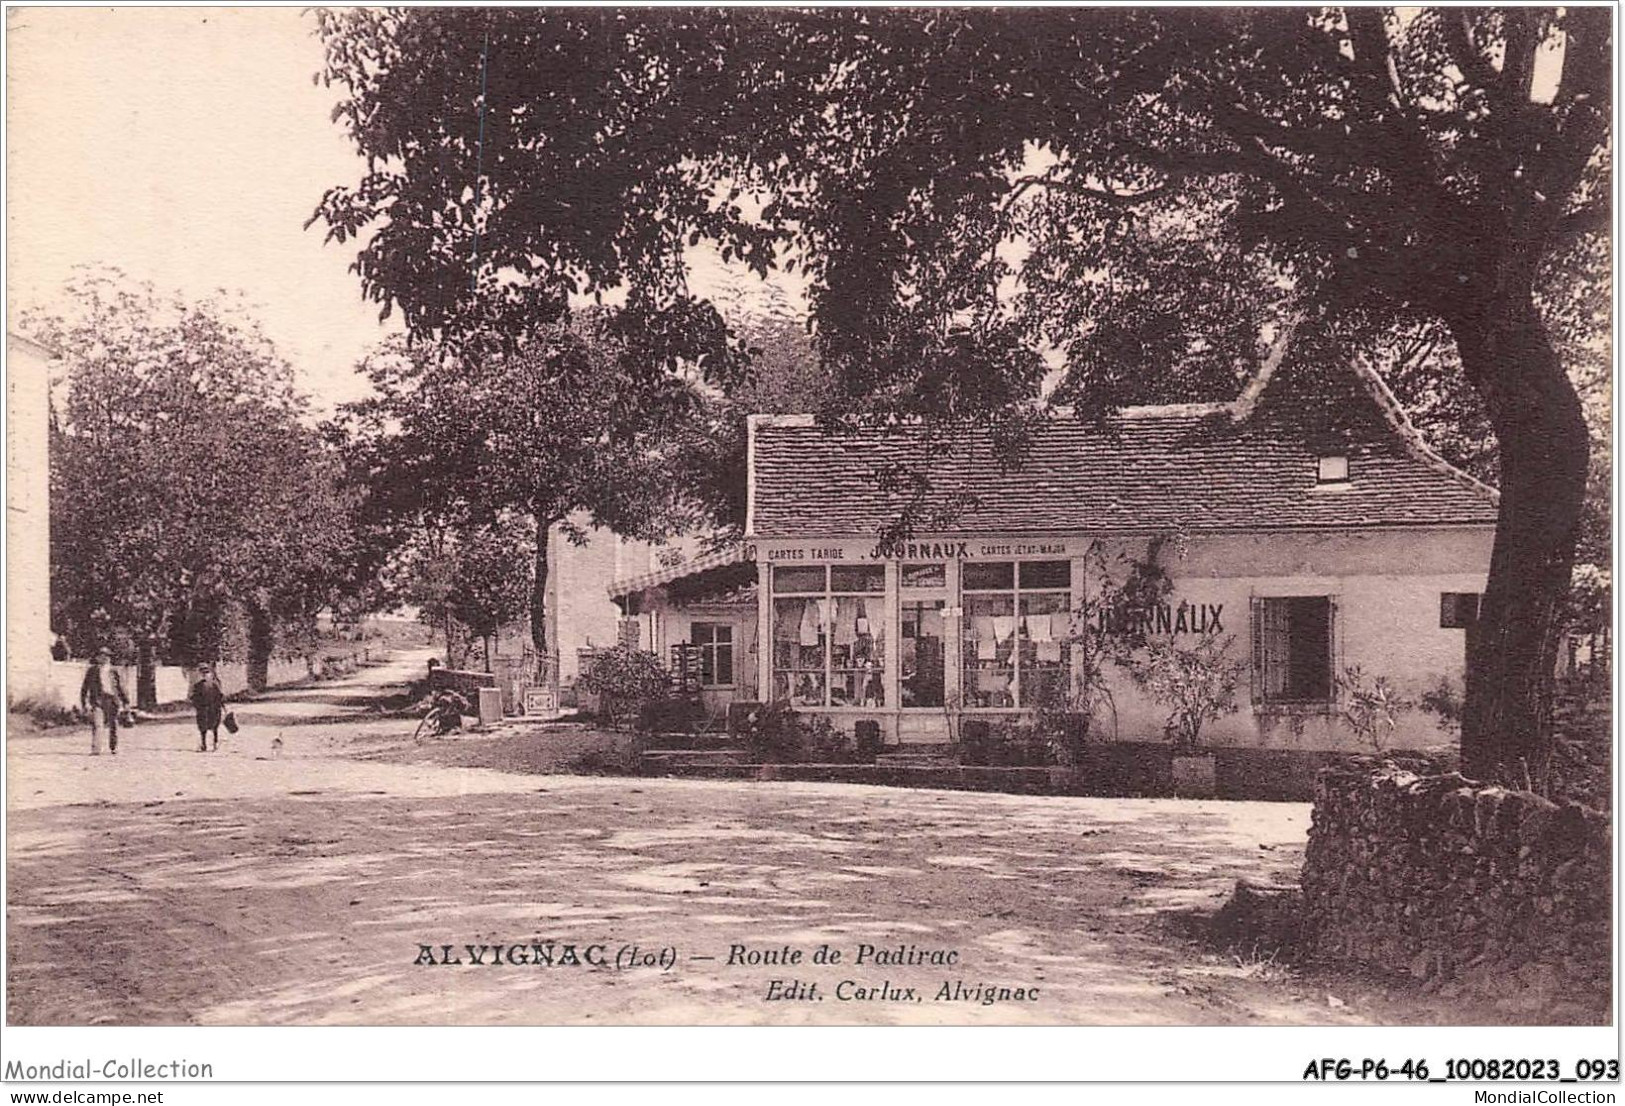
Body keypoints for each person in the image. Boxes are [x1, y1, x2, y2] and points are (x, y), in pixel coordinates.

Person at [79, 648, 128, 756]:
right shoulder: (92, 671)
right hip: (98, 700)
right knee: (97, 724)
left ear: (110, 658)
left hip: (112, 700)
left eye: (107, 656)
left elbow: (121, 687)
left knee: (113, 724)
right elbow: (85, 687)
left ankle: (114, 747)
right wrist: (84, 702)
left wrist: (126, 702)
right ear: (97, 658)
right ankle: (96, 749)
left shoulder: (114, 670)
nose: (104, 658)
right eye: (101, 655)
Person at [189, 662, 226, 752]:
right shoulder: (215, 684)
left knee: (203, 728)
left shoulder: (198, 685)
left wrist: (196, 705)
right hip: (213, 708)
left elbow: (193, 697)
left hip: (204, 709)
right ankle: (214, 743)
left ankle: (204, 744)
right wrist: (222, 706)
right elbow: (221, 696)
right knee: (214, 726)